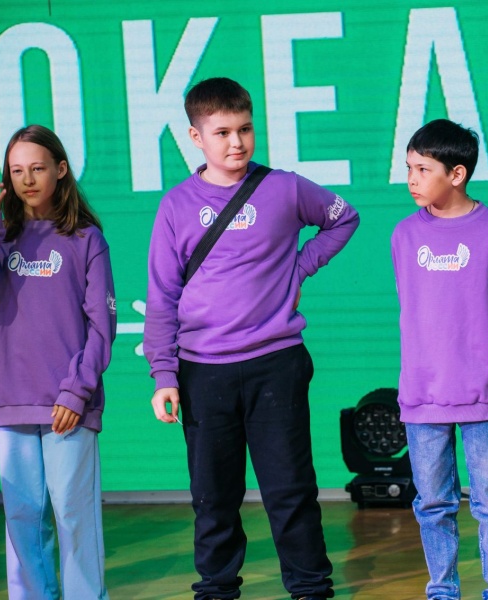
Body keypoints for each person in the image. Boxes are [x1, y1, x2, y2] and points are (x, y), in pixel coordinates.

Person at [143, 77, 359, 600]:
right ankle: (216, 591)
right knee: (213, 496)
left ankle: (311, 590)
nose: (236, 142)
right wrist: (163, 375)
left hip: (276, 363)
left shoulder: (284, 188)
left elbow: (343, 219)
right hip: (202, 372)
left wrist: (299, 268)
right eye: (222, 133)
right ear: (196, 138)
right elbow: (162, 296)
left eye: (244, 129)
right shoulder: (175, 206)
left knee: (291, 490)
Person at [0, 125, 116, 599]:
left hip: (67, 405)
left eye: (37, 168)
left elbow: (102, 328)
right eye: (17, 171)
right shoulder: (1, 237)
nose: (27, 179)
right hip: (11, 402)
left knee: (74, 515)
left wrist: (76, 392)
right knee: (23, 517)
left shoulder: (87, 239)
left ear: (61, 169)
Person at [391, 119, 488, 600]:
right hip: (423, 394)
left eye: (422, 169)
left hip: (485, 392)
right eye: (409, 168)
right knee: (432, 503)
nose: (412, 179)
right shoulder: (404, 235)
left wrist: (479, 346)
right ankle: (443, 590)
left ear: (457, 174)